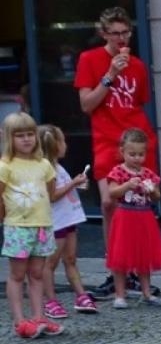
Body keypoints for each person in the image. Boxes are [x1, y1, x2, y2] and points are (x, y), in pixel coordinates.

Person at [75, 7, 159, 299]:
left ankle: (136, 271)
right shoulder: (90, 60)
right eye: (115, 33)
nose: (121, 38)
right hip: (106, 140)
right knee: (110, 202)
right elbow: (87, 104)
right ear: (103, 33)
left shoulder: (138, 65)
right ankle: (116, 270)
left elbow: (139, 103)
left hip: (136, 139)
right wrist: (110, 74)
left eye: (126, 32)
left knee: (140, 204)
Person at [0, 113, 64, 338]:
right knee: (17, 274)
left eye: (30, 134)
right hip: (18, 227)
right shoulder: (5, 166)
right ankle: (20, 321)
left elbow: (50, 193)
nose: (26, 139)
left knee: (37, 273)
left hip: (42, 226)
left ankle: (38, 316)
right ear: (9, 138)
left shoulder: (43, 164)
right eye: (20, 136)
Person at [104, 128, 161, 309]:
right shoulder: (118, 171)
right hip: (125, 216)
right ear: (122, 151)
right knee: (120, 257)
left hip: (144, 217)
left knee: (143, 257)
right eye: (132, 154)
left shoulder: (147, 173)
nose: (136, 158)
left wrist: (152, 190)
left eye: (140, 154)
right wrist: (127, 185)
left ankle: (147, 292)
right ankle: (119, 294)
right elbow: (112, 192)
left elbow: (157, 196)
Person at [38, 124, 94, 318]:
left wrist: (76, 185)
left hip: (68, 219)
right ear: (55, 145)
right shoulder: (47, 170)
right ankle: (50, 300)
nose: (65, 145)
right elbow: (52, 196)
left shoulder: (58, 167)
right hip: (57, 222)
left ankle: (81, 295)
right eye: (63, 141)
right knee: (50, 264)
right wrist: (73, 183)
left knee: (70, 259)